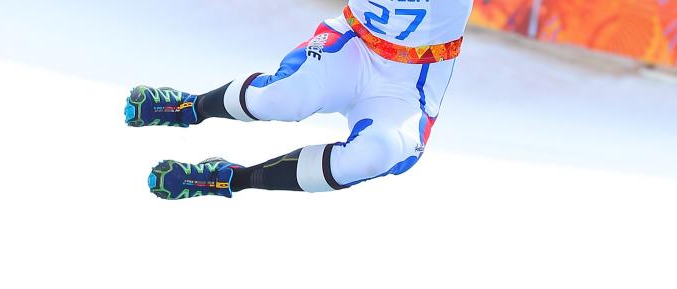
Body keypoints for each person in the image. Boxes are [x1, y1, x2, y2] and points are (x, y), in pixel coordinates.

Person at [125, 0, 473, 200]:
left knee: (374, 155)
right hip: (354, 46)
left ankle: (232, 178)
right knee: (282, 98)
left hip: (408, 85)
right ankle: (191, 108)